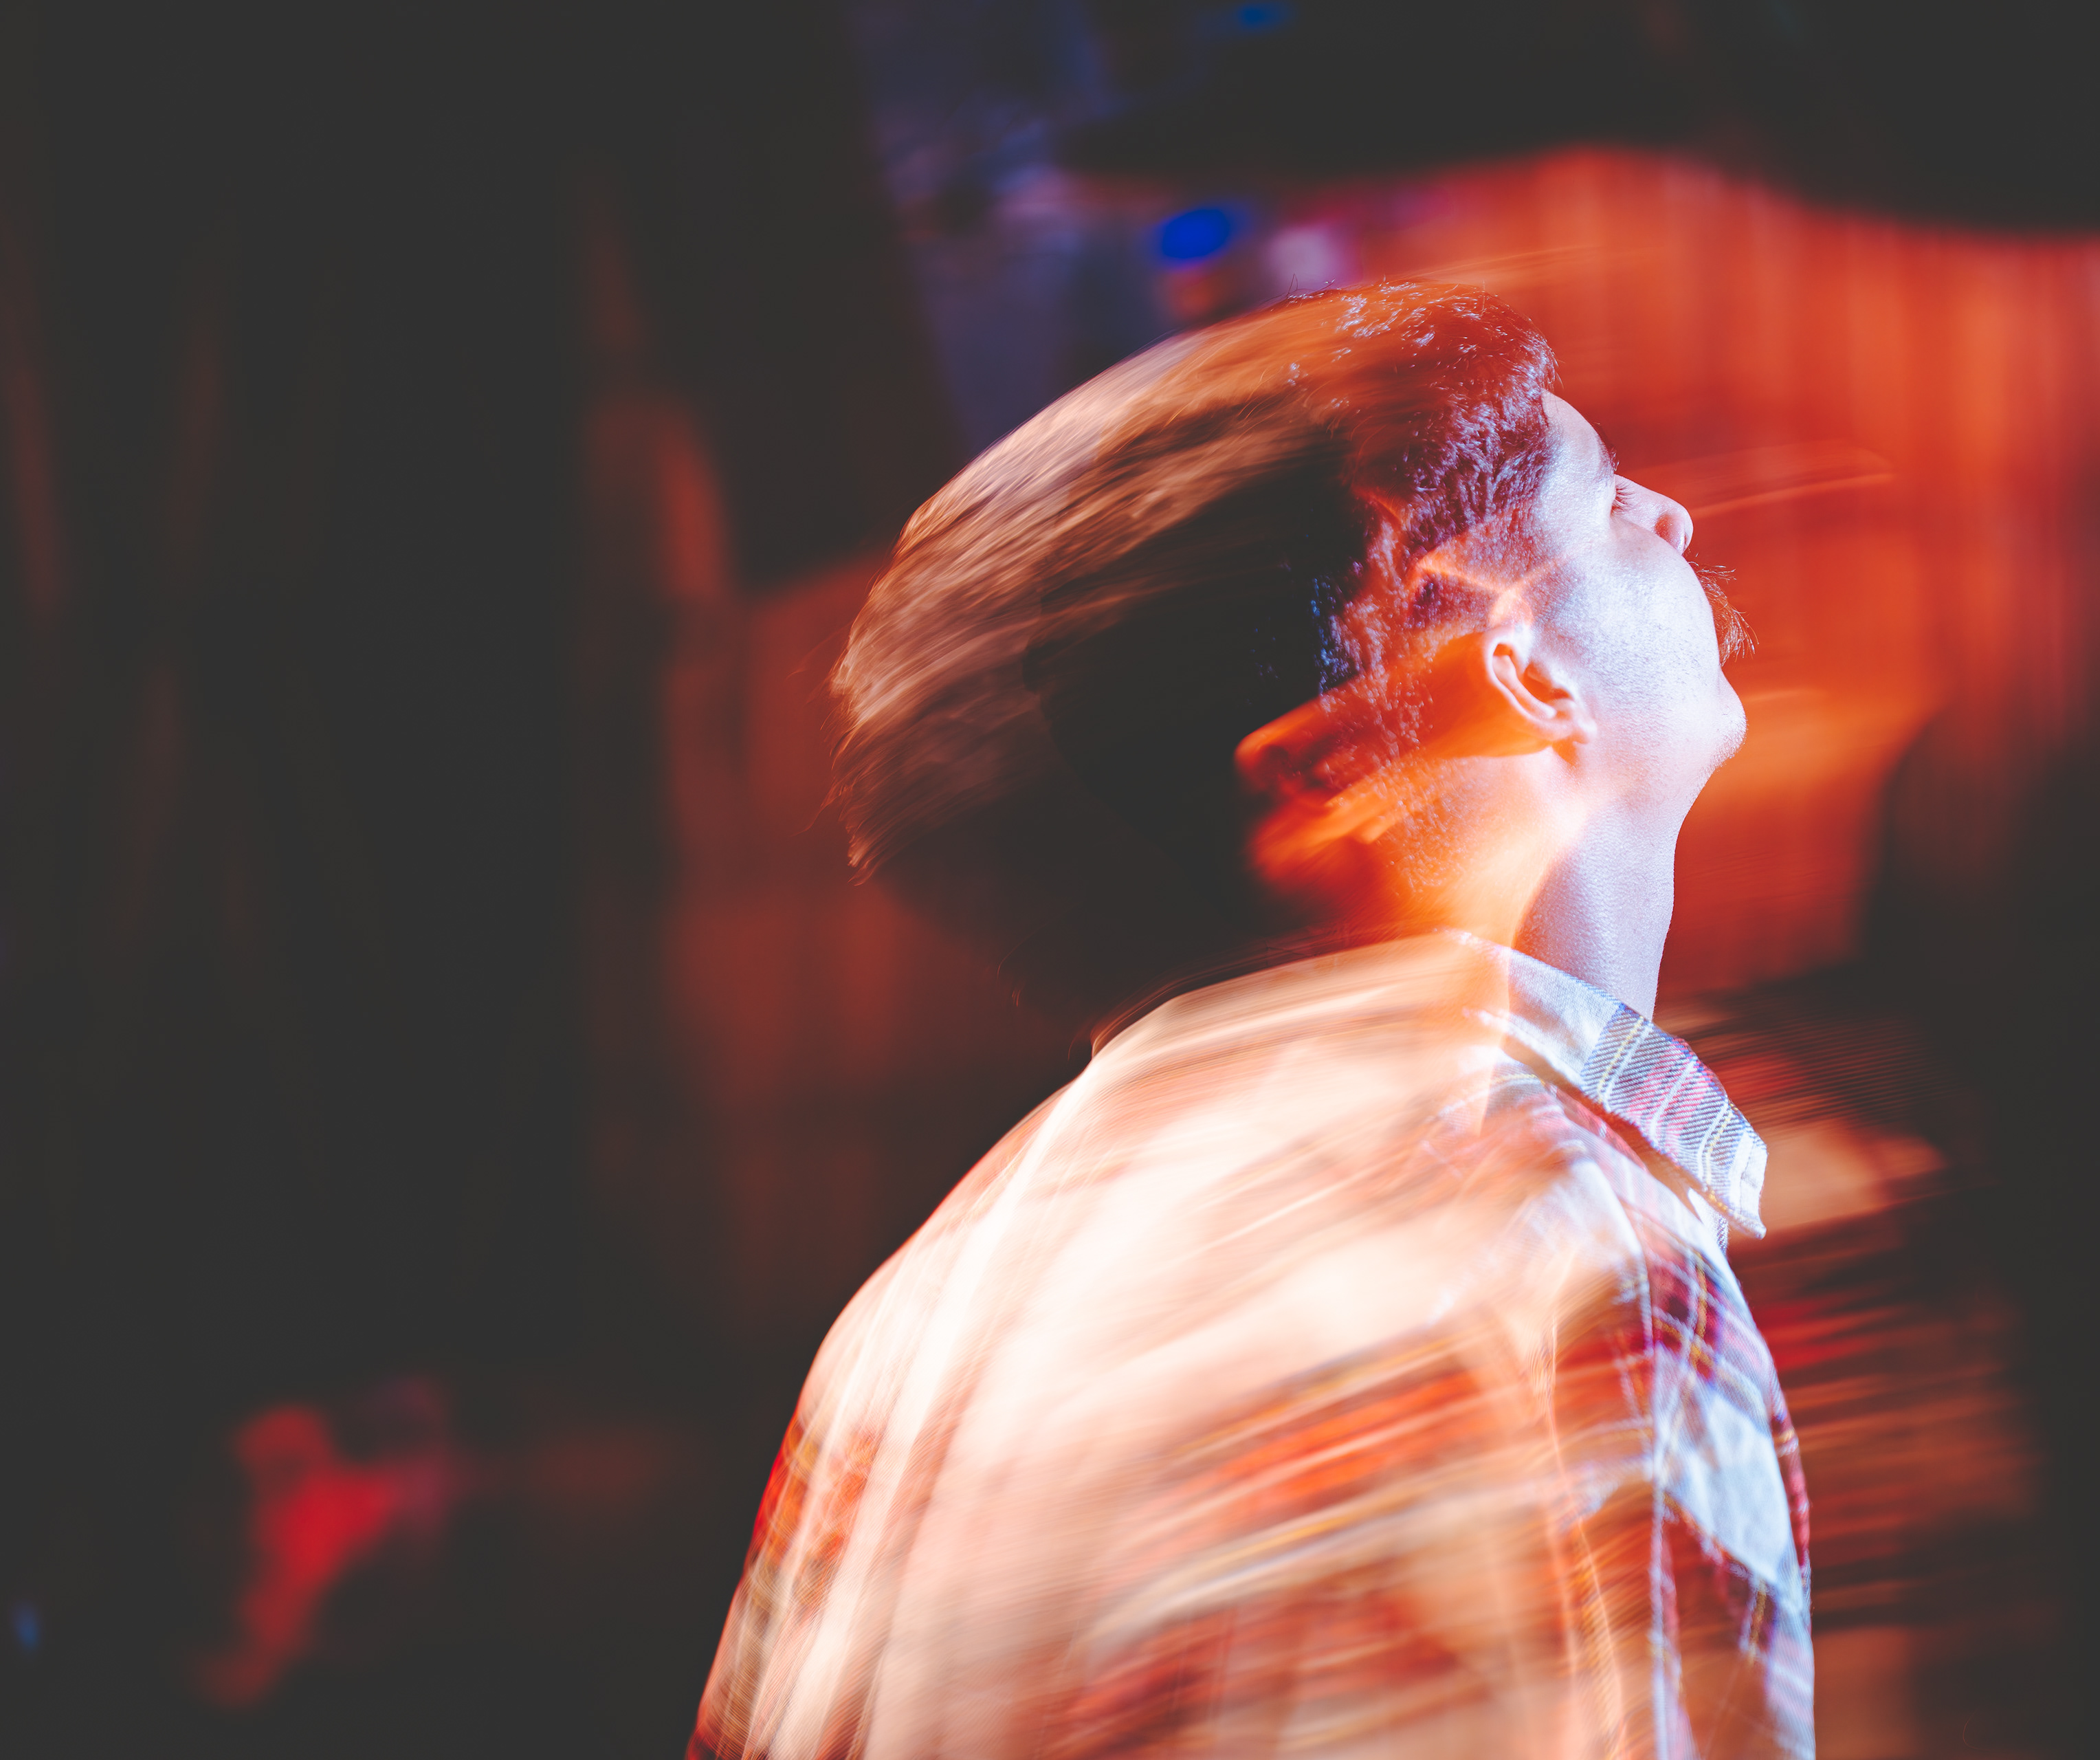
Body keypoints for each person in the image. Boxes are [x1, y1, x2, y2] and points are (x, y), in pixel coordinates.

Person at [690, 283, 1813, 1759]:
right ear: (1516, 673)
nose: (1670, 516)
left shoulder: (924, 1310)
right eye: (1603, 503)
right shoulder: (1565, 1247)